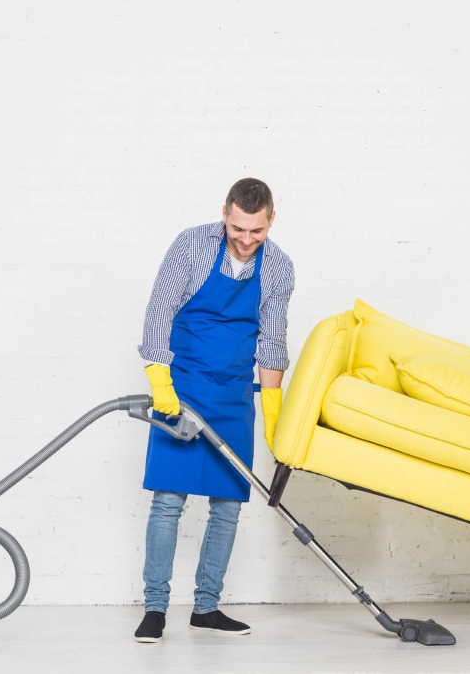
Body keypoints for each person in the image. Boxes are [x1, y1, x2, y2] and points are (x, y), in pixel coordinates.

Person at [133, 178, 295, 643]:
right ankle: (155, 608)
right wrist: (160, 380)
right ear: (225, 212)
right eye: (239, 228)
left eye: (256, 232)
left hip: (233, 397)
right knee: (168, 501)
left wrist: (273, 407)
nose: (246, 240)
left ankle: (206, 608)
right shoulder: (191, 245)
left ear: (271, 221)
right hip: (181, 389)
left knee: (227, 506)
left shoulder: (279, 267)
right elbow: (160, 311)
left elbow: (272, 339)